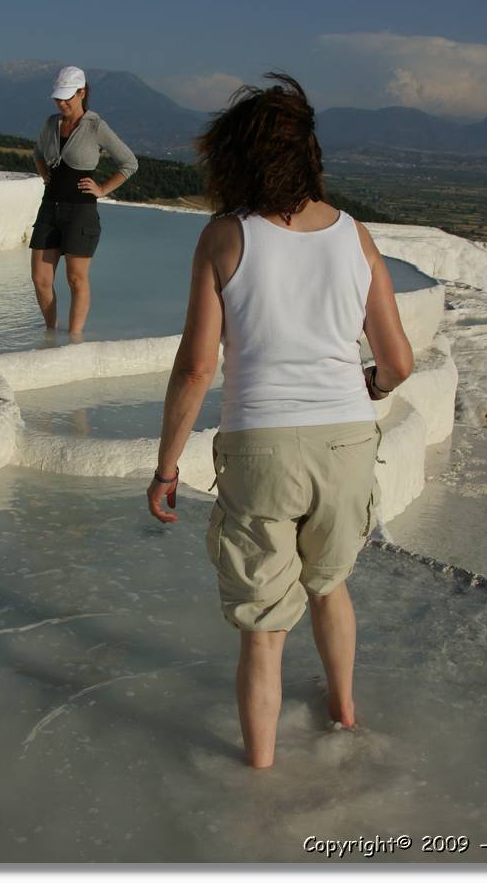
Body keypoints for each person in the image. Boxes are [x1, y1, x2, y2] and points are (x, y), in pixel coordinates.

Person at [147, 73, 414, 769]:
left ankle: (258, 787)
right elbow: (399, 362)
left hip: (262, 449)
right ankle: (345, 720)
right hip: (348, 442)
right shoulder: (356, 237)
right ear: (309, 156)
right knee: (329, 586)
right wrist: (372, 386)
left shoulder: (224, 238)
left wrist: (166, 466)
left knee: (263, 634)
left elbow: (197, 370)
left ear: (232, 159)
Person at [30, 65, 138, 337]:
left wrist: (103, 188)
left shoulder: (96, 126)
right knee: (40, 279)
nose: (61, 102)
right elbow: (38, 154)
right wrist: (45, 176)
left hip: (81, 212)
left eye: (67, 96)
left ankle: (74, 339)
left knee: (76, 279)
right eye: (58, 97)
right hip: (49, 208)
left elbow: (129, 163)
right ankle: (50, 333)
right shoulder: (50, 123)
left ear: (82, 92)